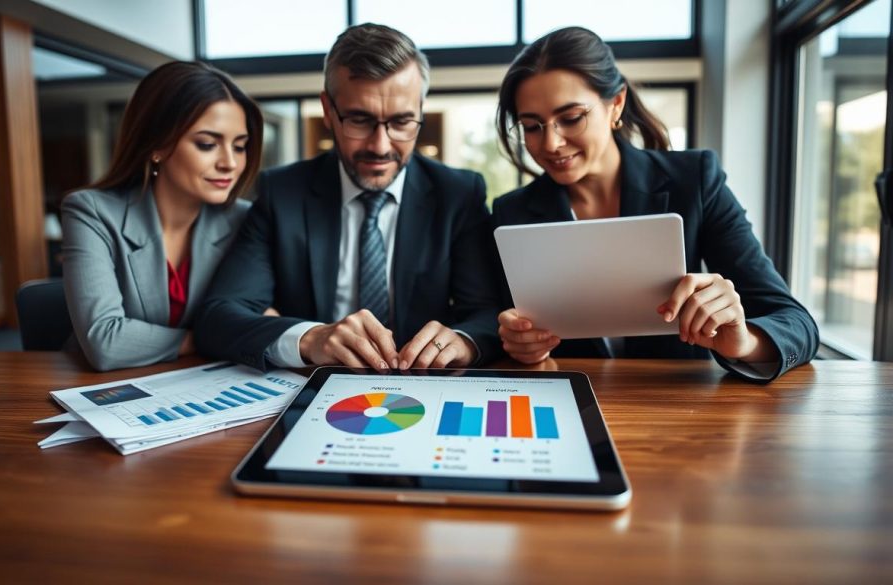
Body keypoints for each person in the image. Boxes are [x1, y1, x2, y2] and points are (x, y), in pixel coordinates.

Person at [492, 27, 818, 381]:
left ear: (616, 103)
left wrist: (743, 341)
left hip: (677, 401)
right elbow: (499, 328)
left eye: (571, 118)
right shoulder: (512, 214)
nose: (551, 143)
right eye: (532, 126)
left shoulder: (694, 181)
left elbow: (797, 324)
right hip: (571, 397)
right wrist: (517, 342)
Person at [195, 23, 501, 372]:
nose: (380, 146)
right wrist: (309, 338)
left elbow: (489, 311)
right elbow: (218, 316)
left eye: (402, 122)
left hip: (426, 386)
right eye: (359, 120)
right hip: (313, 385)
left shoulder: (458, 194)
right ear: (328, 110)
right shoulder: (281, 193)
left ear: (420, 110)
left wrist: (464, 340)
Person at [61, 61, 263, 371]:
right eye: (207, 144)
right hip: (106, 387)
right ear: (157, 145)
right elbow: (105, 342)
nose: (230, 163)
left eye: (239, 146)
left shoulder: (246, 220)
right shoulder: (91, 212)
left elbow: (266, 319)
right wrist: (214, 337)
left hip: (206, 385)